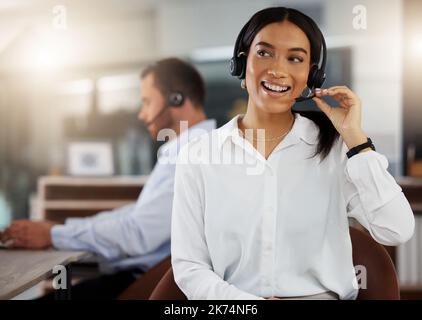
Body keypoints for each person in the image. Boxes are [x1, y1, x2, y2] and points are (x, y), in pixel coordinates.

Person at [171, 7, 415, 300]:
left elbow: (397, 229)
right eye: (264, 53)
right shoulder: (199, 156)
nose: (277, 69)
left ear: (311, 75)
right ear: (241, 62)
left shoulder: (336, 149)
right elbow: (189, 267)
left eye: (295, 58)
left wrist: (354, 138)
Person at [0, 58, 216, 299]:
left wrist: (53, 235)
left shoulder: (192, 155)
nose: (142, 114)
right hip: (137, 279)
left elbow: (137, 233)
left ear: (176, 99)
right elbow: (137, 216)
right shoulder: (191, 150)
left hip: (139, 284)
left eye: (146, 102)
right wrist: (59, 230)